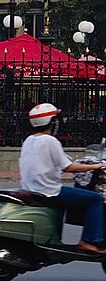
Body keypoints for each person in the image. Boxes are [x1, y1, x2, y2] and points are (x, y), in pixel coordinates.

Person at [19, 102, 106, 254]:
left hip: (31, 188)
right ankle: (89, 241)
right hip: (49, 191)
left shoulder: (29, 140)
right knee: (95, 199)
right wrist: (96, 166)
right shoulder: (50, 141)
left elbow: (61, 160)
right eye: (56, 120)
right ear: (51, 122)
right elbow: (68, 167)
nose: (58, 123)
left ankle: (55, 240)